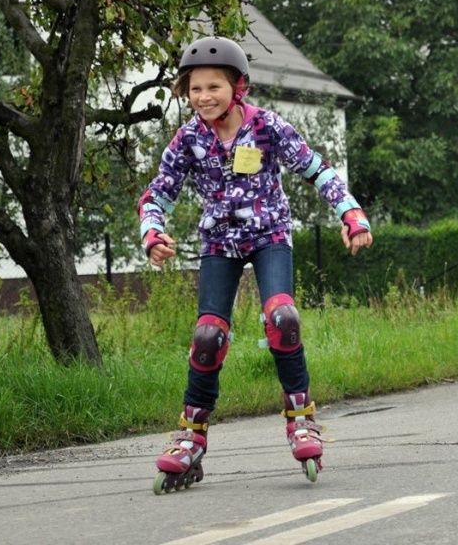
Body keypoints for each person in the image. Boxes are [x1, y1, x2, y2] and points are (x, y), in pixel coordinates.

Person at [139, 36, 373, 492]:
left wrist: (351, 213)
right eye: (194, 89)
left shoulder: (267, 127)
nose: (203, 97)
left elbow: (317, 169)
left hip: (270, 236)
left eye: (214, 87)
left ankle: (302, 419)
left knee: (282, 318)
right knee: (208, 335)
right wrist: (153, 233)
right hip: (219, 243)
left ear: (238, 87)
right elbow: (158, 193)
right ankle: (191, 436)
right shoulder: (187, 138)